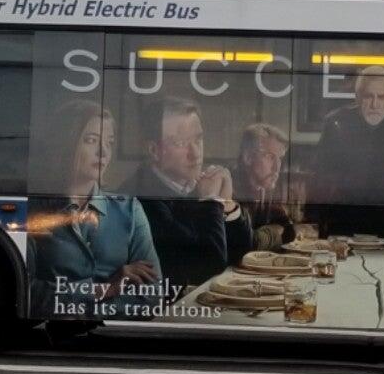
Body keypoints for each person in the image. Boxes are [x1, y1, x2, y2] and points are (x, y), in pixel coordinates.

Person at [28, 100, 162, 316]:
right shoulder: (33, 212)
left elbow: (151, 295)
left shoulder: (129, 209)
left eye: (109, 142)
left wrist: (84, 311)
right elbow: (28, 294)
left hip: (112, 340)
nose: (103, 152)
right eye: (91, 140)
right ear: (66, 143)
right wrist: (103, 290)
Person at [126, 96, 252, 289]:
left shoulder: (192, 185)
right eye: (180, 143)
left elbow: (243, 257)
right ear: (154, 150)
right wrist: (211, 200)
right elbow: (209, 265)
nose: (196, 153)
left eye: (198, 139)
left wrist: (226, 204)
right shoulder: (141, 197)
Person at [307, 65, 384, 239]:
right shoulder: (336, 122)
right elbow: (319, 176)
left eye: (382, 97)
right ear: (358, 97)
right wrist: (310, 221)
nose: (375, 104)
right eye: (369, 96)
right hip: (344, 218)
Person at [235, 121, 292, 236]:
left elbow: (289, 230)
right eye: (270, 157)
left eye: (279, 158)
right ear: (248, 157)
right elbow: (247, 242)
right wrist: (274, 233)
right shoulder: (230, 189)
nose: (277, 167)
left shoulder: (265, 187)